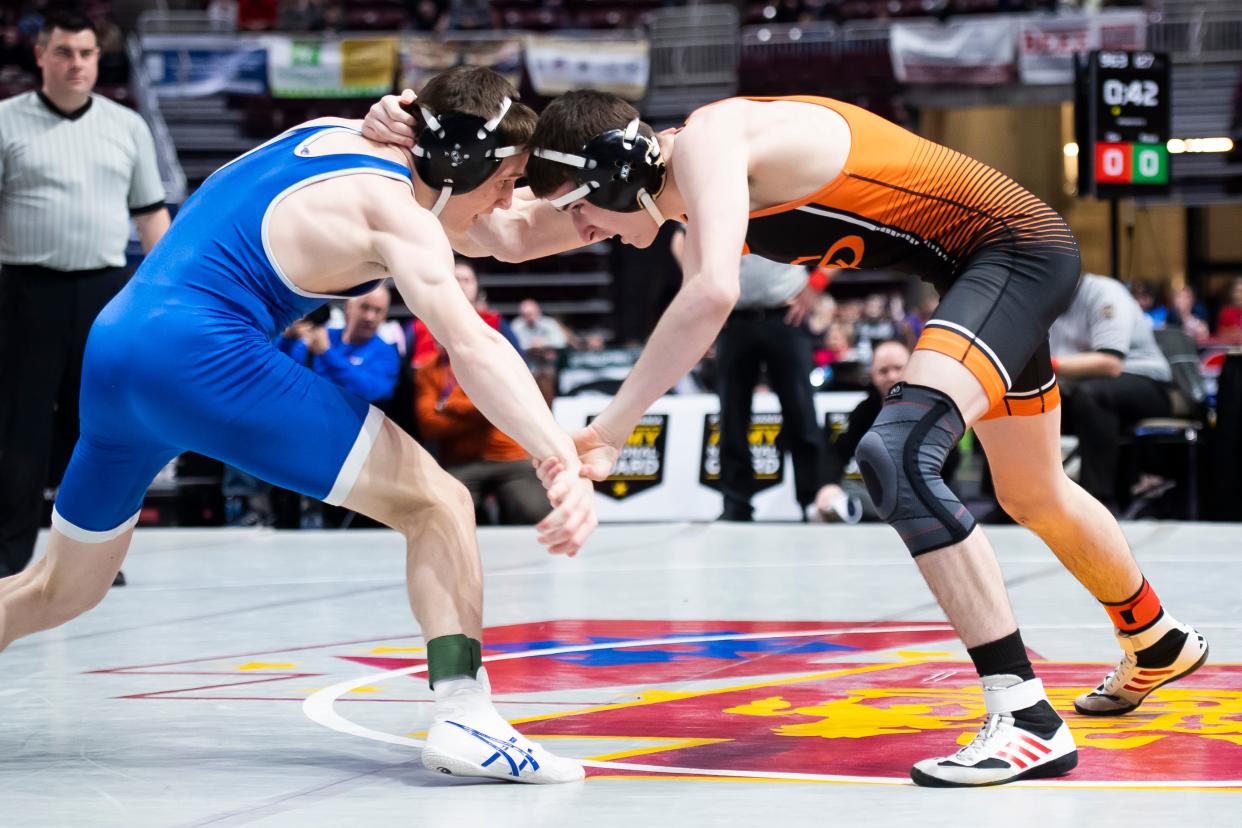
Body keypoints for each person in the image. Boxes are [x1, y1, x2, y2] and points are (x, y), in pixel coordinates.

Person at [472, 89, 1209, 787]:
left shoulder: (710, 140)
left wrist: (609, 429)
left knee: (898, 455)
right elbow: (501, 236)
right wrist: (395, 156)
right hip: (984, 268)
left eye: (582, 212)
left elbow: (713, 293)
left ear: (610, 173)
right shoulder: (669, 182)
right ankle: (1156, 639)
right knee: (1034, 490)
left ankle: (1026, 717)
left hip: (1010, 252)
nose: (584, 233)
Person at [0, 66, 597, 785]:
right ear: (460, 162)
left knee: (62, 588)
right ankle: (469, 716)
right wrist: (556, 454)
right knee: (439, 503)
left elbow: (504, 231)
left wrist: (615, 207)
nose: (510, 196)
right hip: (201, 357)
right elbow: (472, 343)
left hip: (118, 348)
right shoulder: (397, 214)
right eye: (505, 179)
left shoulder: (334, 135)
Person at [0, 11, 171, 584]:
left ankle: (89, 558)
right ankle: (10, 555)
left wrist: (175, 299)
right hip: (23, 291)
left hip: (105, 293)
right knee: (18, 429)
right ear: (41, 56)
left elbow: (152, 218)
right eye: (65, 52)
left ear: (100, 59)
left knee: (96, 428)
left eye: (87, 53)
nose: (77, 64)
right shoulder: (5, 122)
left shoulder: (128, 127)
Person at [675, 243, 822, 521]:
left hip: (786, 315)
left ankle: (813, 499)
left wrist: (816, 284)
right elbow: (682, 242)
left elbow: (837, 240)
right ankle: (736, 502)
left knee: (800, 410)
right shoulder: (720, 200)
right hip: (735, 318)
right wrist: (705, 291)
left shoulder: (788, 199)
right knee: (732, 413)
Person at [1051, 273, 1174, 510]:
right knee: (1008, 399)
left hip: (1146, 381)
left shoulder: (1104, 293)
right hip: (1079, 385)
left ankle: (1098, 502)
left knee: (1092, 395)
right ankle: (1009, 501)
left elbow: (1110, 362)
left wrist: (1048, 366)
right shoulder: (1045, 302)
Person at [815, 339, 959, 522]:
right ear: (872, 375)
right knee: (833, 501)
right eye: (883, 371)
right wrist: (828, 487)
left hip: (930, 494)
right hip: (884, 496)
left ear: (912, 369)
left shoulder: (933, 408)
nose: (892, 376)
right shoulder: (865, 411)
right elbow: (838, 453)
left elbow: (952, 462)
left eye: (898, 368)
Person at [284, 282, 401, 404]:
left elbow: (372, 391)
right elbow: (283, 370)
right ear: (348, 307)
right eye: (365, 307)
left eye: (378, 311)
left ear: (384, 316)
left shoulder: (385, 352)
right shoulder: (322, 334)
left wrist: (327, 353)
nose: (370, 317)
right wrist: (287, 338)